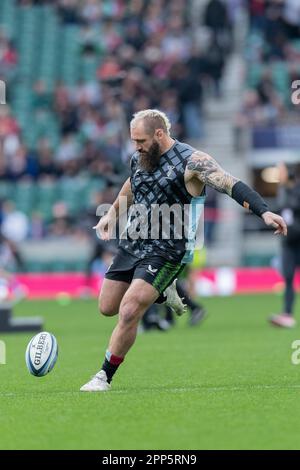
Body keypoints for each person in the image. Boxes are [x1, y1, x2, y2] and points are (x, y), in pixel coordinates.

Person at [80, 109, 287, 392]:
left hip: (166, 249)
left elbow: (230, 184)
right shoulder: (139, 158)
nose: (136, 146)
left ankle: (103, 376)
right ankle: (163, 292)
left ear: (160, 134)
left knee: (128, 311)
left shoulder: (193, 162)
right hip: (133, 241)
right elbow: (131, 185)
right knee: (107, 308)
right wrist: (111, 215)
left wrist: (264, 212)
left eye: (140, 140)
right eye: (134, 141)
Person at [269, 163, 300, 328]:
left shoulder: (296, 190)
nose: (278, 174)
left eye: (280, 171)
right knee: (288, 279)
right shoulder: (282, 192)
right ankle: (287, 314)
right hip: (288, 243)